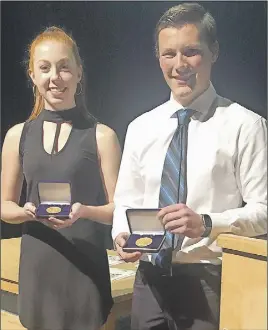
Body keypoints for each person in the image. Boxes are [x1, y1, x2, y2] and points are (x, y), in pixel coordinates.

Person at [112, 3, 267, 330]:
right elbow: (126, 200)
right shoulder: (141, 127)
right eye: (168, 54)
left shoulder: (245, 125)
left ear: (214, 52)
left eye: (191, 52)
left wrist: (207, 224)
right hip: (148, 280)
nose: (179, 65)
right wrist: (121, 235)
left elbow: (263, 210)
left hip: (209, 281)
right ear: (158, 58)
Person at [1, 26, 121, 330]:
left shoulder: (102, 136)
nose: (55, 77)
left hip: (84, 271)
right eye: (45, 68)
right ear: (32, 75)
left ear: (79, 72)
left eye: (64, 67)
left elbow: (118, 211)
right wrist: (25, 211)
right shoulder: (18, 135)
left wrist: (84, 211)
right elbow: (4, 205)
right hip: (38, 271)